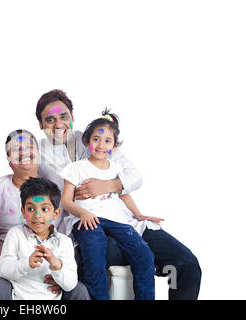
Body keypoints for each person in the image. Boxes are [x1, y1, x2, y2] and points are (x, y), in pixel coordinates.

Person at [36, 89, 201, 300]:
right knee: (99, 257)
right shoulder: (36, 152)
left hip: (125, 222)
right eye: (50, 120)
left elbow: (134, 176)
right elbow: (26, 188)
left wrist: (109, 185)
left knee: (186, 264)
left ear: (73, 116)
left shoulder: (95, 138)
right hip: (86, 226)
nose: (58, 125)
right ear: (41, 124)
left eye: (64, 116)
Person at [60, 109, 159, 300]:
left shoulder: (116, 169)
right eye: (96, 139)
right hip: (89, 220)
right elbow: (66, 201)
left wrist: (139, 216)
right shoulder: (76, 168)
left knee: (144, 254)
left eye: (107, 141)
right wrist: (82, 213)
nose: (101, 145)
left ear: (114, 145)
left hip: (117, 220)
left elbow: (124, 195)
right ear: (87, 141)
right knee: (95, 255)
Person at [0, 129, 90, 300]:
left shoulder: (57, 189)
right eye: (16, 149)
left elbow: (65, 237)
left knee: (79, 289)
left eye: (29, 147)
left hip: (50, 261)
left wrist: (59, 272)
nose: (24, 152)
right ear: (9, 160)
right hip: (8, 263)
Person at [0, 177, 78, 300]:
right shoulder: (15, 234)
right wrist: (26, 264)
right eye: (30, 209)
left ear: (55, 214)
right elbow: (3, 269)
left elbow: (70, 284)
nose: (37, 215)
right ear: (23, 212)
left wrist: (57, 265)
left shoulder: (64, 242)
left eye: (45, 209)